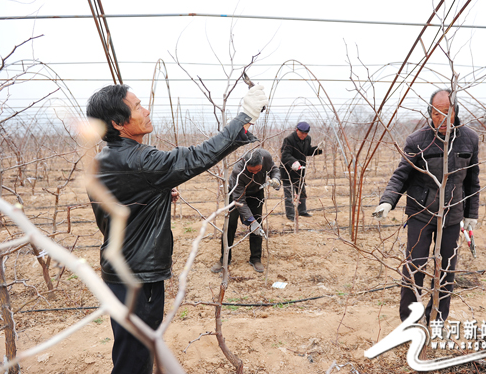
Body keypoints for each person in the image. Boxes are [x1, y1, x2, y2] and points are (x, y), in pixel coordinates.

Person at [86, 83, 267, 374]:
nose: (146, 110)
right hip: (137, 278)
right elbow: (197, 157)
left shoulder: (105, 160)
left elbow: (122, 204)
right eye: (137, 108)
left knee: (133, 352)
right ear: (118, 123)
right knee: (134, 361)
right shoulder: (139, 160)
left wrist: (154, 193)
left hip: (121, 270)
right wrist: (243, 117)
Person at [374, 89, 480, 324]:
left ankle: (438, 318)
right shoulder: (417, 140)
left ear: (456, 111)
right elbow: (401, 175)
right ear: (429, 112)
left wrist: (471, 214)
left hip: (452, 215)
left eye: (446, 112)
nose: (441, 119)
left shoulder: (469, 139)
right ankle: (409, 321)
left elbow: (472, 180)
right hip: (421, 214)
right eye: (436, 113)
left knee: (446, 270)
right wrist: (387, 201)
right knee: (414, 268)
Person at [210, 148, 281, 273]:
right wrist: (250, 220)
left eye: (258, 170)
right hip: (237, 196)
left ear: (262, 161)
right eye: (251, 171)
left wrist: (276, 179)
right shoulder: (238, 171)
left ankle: (255, 258)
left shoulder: (266, 157)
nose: (254, 173)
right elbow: (240, 201)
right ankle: (224, 259)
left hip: (257, 193)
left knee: (257, 225)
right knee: (230, 224)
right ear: (245, 163)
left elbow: (274, 169)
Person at [280, 121, 323, 221]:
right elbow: (285, 154)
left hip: (300, 171)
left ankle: (302, 211)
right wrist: (293, 162)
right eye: (302, 133)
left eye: (306, 133)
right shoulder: (289, 139)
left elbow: (307, 151)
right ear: (297, 130)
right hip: (288, 171)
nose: (303, 135)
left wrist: (318, 149)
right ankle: (290, 216)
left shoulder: (307, 139)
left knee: (302, 192)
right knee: (289, 195)